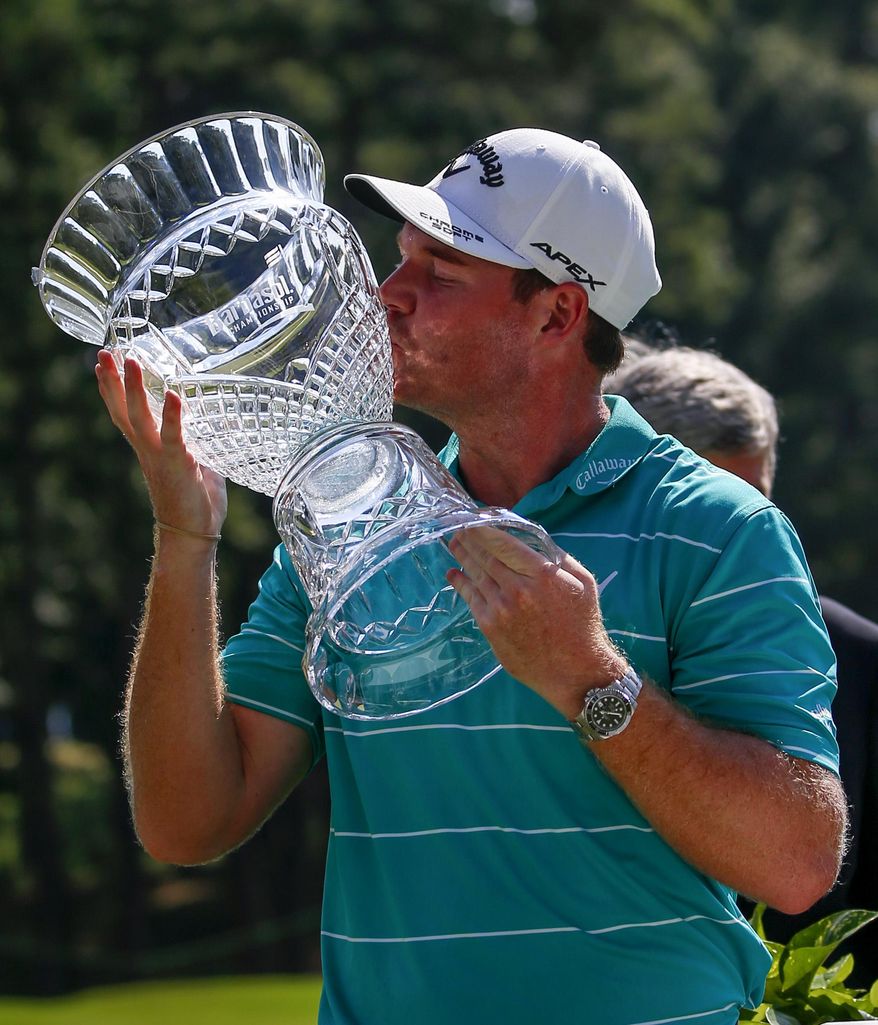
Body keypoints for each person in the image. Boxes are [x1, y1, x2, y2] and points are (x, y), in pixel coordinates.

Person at [95, 128, 848, 1025]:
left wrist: (589, 677)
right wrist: (185, 538)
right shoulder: (343, 530)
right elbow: (186, 822)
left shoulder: (721, 529)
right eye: (401, 258)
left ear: (558, 315)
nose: (389, 293)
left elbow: (796, 861)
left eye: (441, 272)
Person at [610, 342, 878, 978]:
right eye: (701, 508)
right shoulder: (540, 645)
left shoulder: (863, 662)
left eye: (747, 504)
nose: (729, 534)